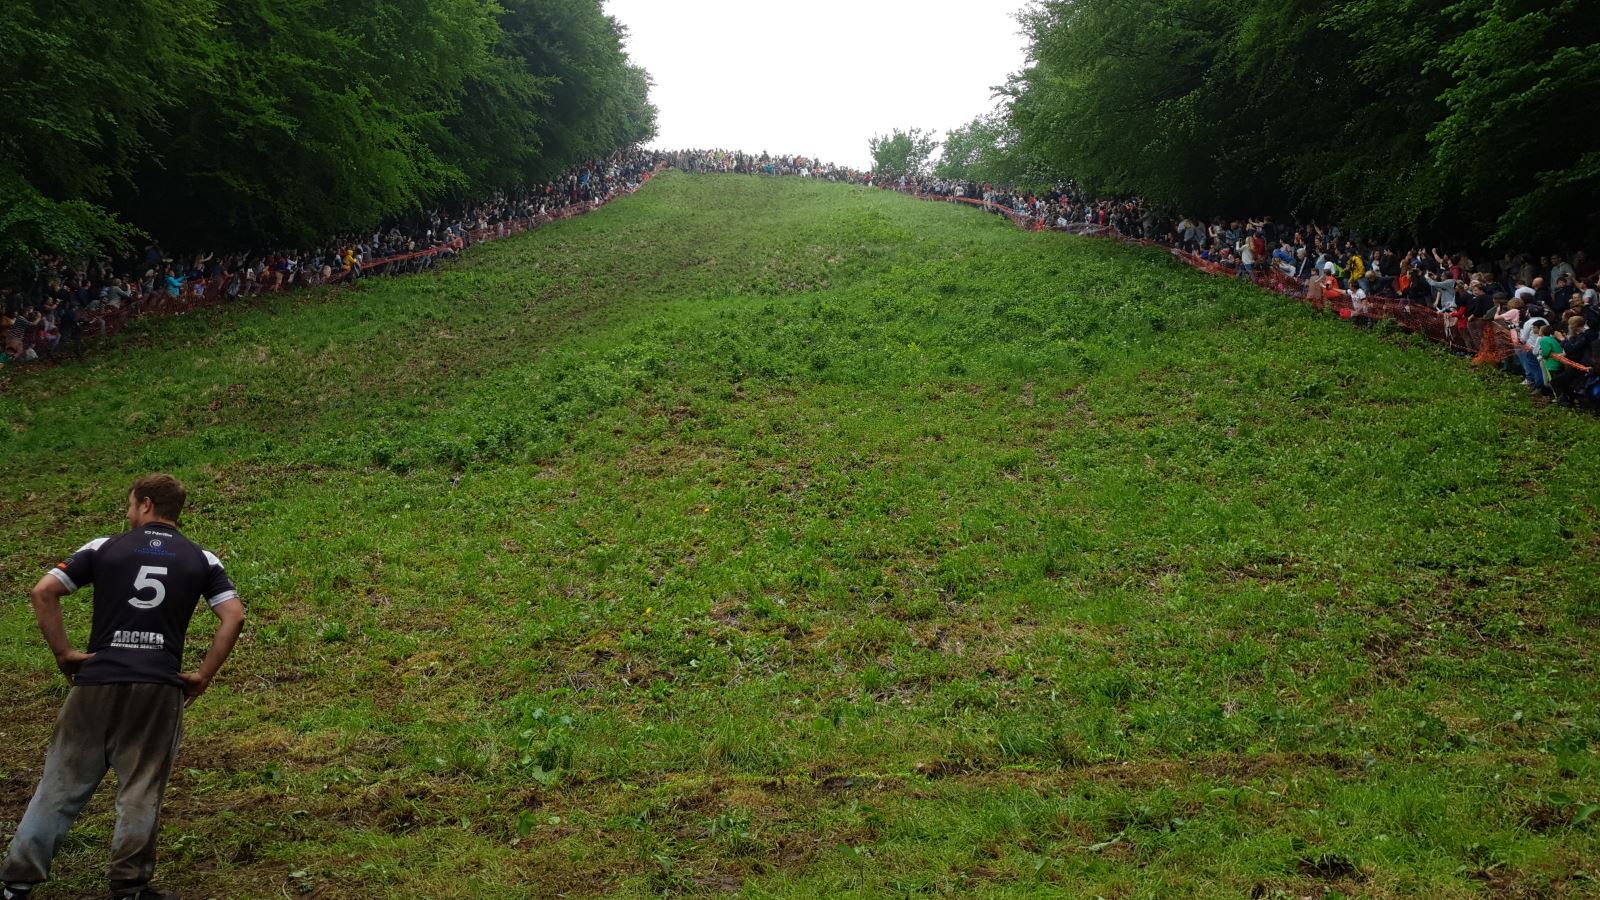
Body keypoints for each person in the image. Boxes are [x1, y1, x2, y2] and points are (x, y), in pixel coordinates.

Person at [1, 475, 245, 900]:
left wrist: (64, 653)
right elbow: (234, 616)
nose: (128, 512)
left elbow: (43, 592)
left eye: (130, 504)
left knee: (59, 784)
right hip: (158, 687)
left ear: (146, 504)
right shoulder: (202, 559)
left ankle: (18, 881)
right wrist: (203, 675)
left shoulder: (104, 547)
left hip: (97, 680)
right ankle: (129, 885)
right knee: (141, 788)